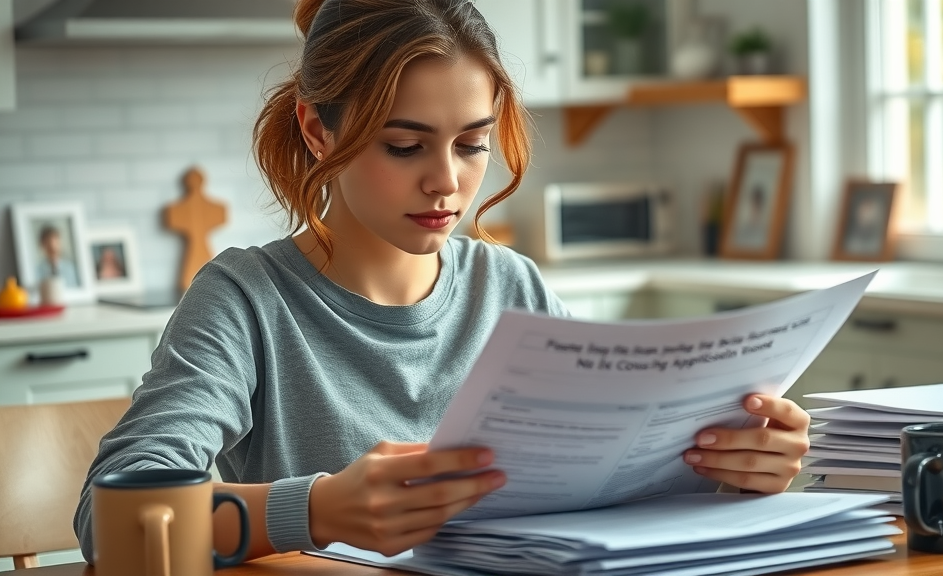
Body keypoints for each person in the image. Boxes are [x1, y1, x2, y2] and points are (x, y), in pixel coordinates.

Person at [74, 0, 811, 563]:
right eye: (404, 145)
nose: (446, 182)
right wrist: (321, 510)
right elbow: (109, 526)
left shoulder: (511, 287)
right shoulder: (246, 300)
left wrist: (732, 468)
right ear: (315, 129)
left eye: (472, 145)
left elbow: (607, 492)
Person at [36, 223, 80, 288]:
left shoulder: (71, 268)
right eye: (48, 244)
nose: (53, 248)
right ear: (42, 246)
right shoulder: (37, 271)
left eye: (56, 242)